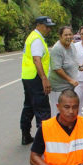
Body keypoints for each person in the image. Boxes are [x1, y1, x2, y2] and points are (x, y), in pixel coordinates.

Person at [20, 16, 55, 146]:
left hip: (28, 77)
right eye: (47, 26)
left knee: (29, 106)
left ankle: (25, 135)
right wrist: (44, 79)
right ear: (39, 25)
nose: (49, 29)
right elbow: (37, 60)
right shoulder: (36, 40)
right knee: (42, 108)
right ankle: (44, 141)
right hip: (36, 77)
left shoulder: (32, 37)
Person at [49, 26, 79, 117]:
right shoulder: (57, 49)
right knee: (57, 112)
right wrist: (70, 80)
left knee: (67, 111)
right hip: (58, 87)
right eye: (65, 35)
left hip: (69, 87)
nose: (68, 37)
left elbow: (72, 61)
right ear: (60, 36)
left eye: (70, 34)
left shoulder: (72, 45)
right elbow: (57, 68)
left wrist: (79, 67)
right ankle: (55, 130)